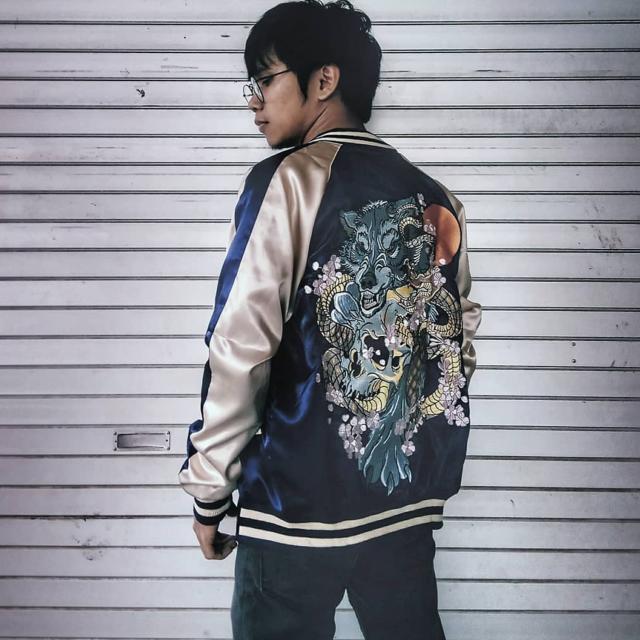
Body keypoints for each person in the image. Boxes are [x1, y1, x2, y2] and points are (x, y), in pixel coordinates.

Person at [178, 1, 482, 638]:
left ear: (324, 79)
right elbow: (457, 343)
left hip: (293, 513)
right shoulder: (437, 198)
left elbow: (241, 350)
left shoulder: (287, 182)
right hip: (404, 509)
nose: (254, 101)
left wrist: (209, 492)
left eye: (266, 80)